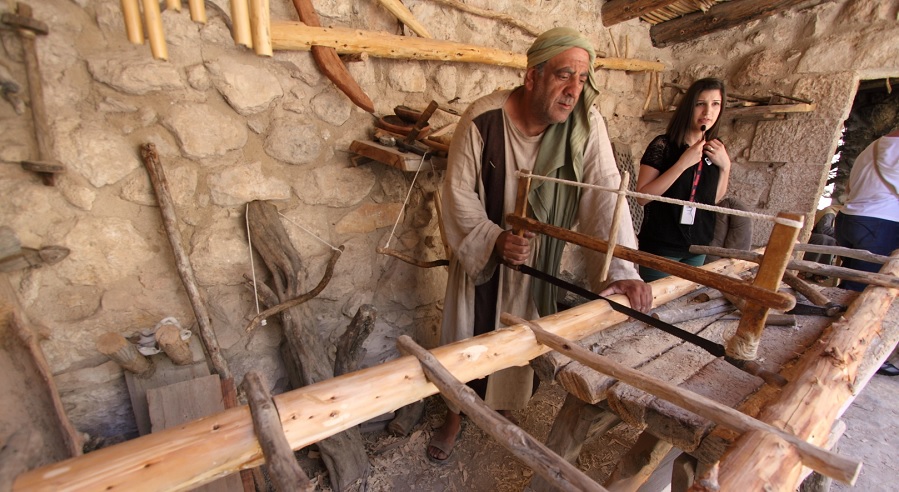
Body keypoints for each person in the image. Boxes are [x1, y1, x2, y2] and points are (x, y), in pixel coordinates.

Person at [429, 27, 652, 463]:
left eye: (582, 79)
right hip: (483, 259)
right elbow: (456, 195)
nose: (573, 91)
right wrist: (495, 239)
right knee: (465, 337)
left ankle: (503, 410)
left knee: (519, 342)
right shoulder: (482, 119)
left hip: (536, 261)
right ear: (532, 76)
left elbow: (606, 195)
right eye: (563, 75)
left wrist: (623, 270)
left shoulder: (585, 126)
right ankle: (454, 414)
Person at [634, 78, 732, 282]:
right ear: (689, 107)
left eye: (715, 104)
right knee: (653, 308)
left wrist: (726, 167)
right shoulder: (663, 145)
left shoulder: (715, 147)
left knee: (682, 306)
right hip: (661, 246)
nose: (708, 112)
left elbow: (712, 201)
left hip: (697, 246)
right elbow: (642, 197)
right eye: (700, 104)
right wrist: (681, 164)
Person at [834, 126, 899, 376]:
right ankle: (848, 351)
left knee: (851, 286)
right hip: (879, 224)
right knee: (866, 292)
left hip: (851, 219)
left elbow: (849, 188)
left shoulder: (873, 147)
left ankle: (839, 338)